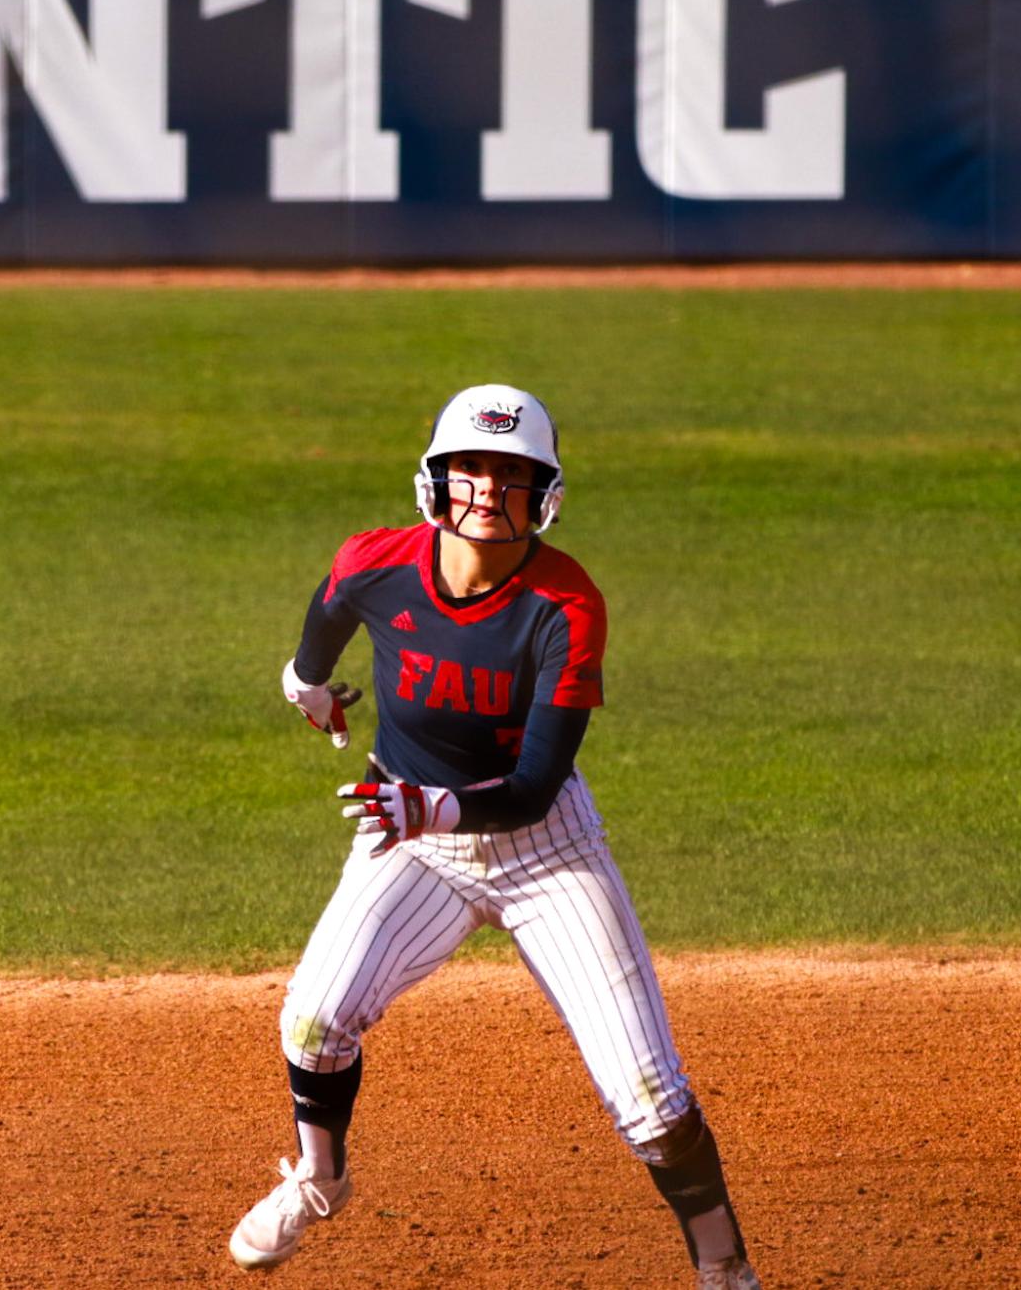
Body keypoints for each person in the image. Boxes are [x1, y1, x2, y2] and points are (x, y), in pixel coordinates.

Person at [226, 385, 760, 1289]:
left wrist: (425, 807)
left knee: (650, 1101)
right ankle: (318, 1180)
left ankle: (725, 1270)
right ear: (434, 479)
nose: (486, 488)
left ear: (543, 491)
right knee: (312, 1022)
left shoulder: (565, 605)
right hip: (414, 841)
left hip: (543, 849)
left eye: (511, 472)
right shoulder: (374, 562)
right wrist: (304, 684)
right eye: (470, 466)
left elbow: (532, 787)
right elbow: (325, 618)